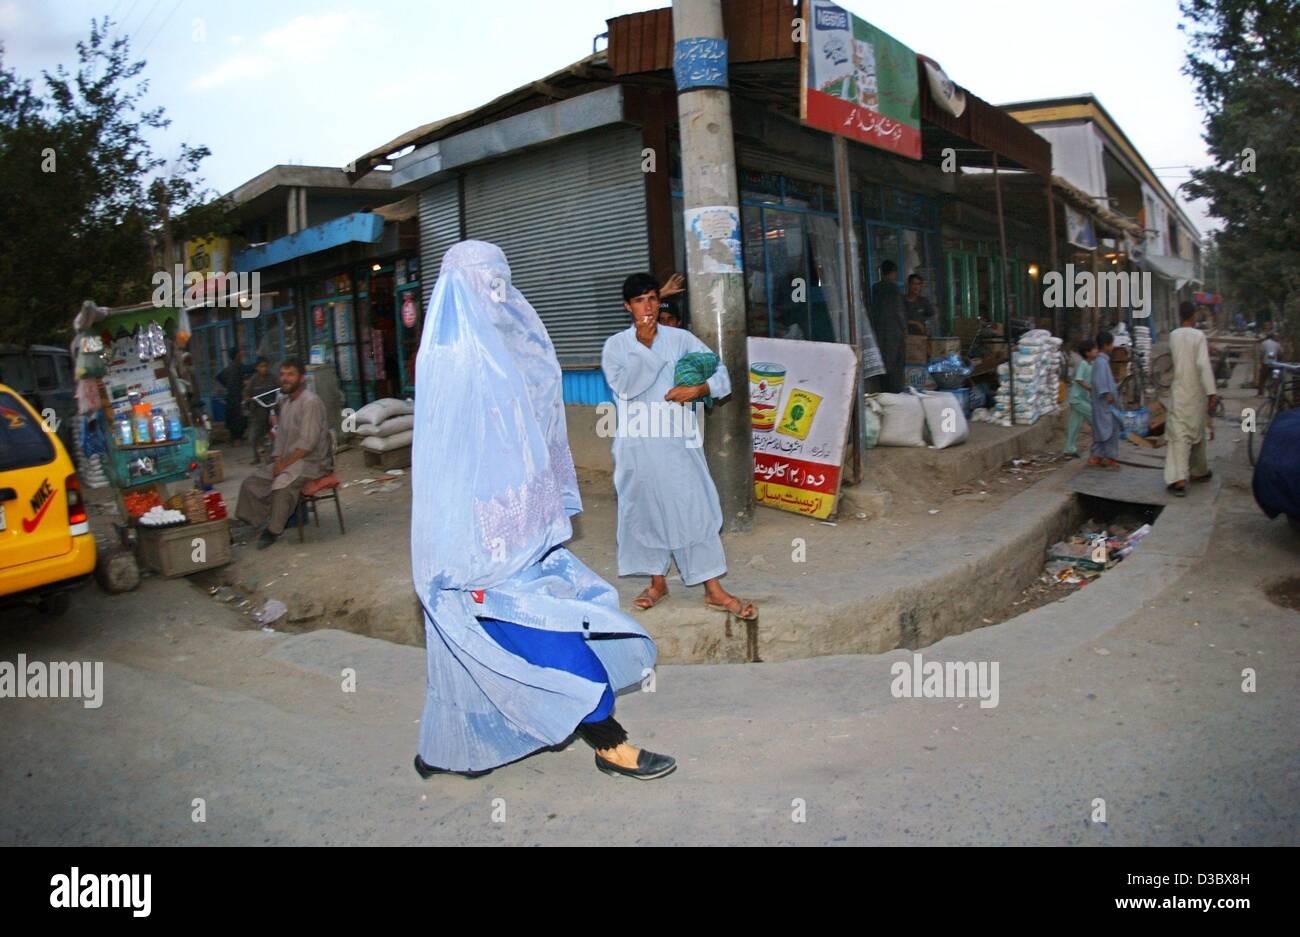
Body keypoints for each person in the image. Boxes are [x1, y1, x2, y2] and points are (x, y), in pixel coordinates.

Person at [410, 240, 674, 781]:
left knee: (491, 642)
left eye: (503, 280)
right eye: (487, 282)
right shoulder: (448, 358)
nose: (498, 293)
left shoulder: (507, 343)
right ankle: (608, 742)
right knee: (544, 632)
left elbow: (532, 422)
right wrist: (462, 546)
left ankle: (453, 748)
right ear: (460, 288)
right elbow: (447, 464)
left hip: (522, 528)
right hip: (477, 540)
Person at [601, 272, 757, 621]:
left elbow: (719, 374)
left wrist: (697, 391)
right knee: (644, 511)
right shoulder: (616, 346)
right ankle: (657, 583)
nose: (649, 306)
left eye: (654, 298)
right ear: (627, 306)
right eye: (640, 300)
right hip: (637, 445)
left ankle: (713, 590)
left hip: (677, 442)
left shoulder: (681, 339)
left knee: (693, 508)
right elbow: (626, 388)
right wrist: (643, 346)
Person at [234, 358, 331, 549]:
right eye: (283, 374)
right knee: (252, 481)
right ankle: (251, 520)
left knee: (281, 485)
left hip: (311, 462)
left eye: (291, 374)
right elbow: (280, 438)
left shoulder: (310, 402)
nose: (285, 378)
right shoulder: (286, 402)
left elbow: (307, 444)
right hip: (289, 460)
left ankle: (273, 530)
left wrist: (283, 465)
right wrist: (278, 459)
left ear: (301, 378)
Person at [1164, 302, 1218, 497]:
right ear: (1194, 315)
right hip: (1196, 391)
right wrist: (1211, 391)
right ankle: (1197, 471)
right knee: (1198, 429)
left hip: (1180, 389)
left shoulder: (1173, 335)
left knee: (1179, 433)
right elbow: (1203, 364)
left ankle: (1179, 477)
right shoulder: (1199, 336)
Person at [1087, 331, 1125, 470]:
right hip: (1105, 404)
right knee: (1110, 430)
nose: (1113, 347)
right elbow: (1100, 382)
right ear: (1105, 345)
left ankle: (1096, 456)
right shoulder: (1101, 362)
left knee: (1101, 430)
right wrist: (1107, 394)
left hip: (1102, 404)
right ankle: (1109, 458)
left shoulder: (1100, 361)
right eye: (1111, 344)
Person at [869, 260, 907, 393]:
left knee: (883, 360)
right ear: (893, 273)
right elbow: (899, 311)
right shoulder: (893, 289)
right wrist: (904, 329)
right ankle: (894, 391)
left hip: (878, 330)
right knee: (895, 362)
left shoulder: (875, 288)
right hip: (893, 331)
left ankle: (884, 389)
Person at [1064, 340, 1096, 458]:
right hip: (1077, 399)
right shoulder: (1083, 364)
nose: (1096, 351)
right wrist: (1089, 388)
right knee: (1094, 416)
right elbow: (1079, 379)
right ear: (1087, 353)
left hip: (1080, 398)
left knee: (1074, 424)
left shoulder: (1090, 364)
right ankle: (1099, 443)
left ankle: (1069, 448)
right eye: (1094, 349)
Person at [244, 357, 279, 465]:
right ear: (257, 368)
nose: (264, 369)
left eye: (265, 366)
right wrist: (249, 399)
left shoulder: (272, 377)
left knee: (278, 432)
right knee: (254, 436)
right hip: (258, 411)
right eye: (261, 366)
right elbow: (246, 393)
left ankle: (276, 455)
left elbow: (280, 388)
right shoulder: (253, 380)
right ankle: (257, 457)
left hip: (272, 408)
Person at [215, 348, 247, 443]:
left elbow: (219, 377)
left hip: (231, 396)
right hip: (236, 396)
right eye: (239, 354)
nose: (241, 355)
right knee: (238, 417)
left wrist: (227, 384)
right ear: (237, 355)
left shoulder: (230, 367)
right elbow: (249, 369)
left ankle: (235, 437)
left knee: (233, 417)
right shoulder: (237, 367)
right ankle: (237, 437)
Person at [903, 273, 939, 338]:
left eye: (919, 284)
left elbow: (932, 316)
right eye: (914, 283)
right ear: (908, 285)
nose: (916, 286)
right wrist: (916, 323)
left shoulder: (923, 301)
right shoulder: (901, 301)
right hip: (905, 338)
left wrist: (929, 328)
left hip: (921, 338)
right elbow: (897, 319)